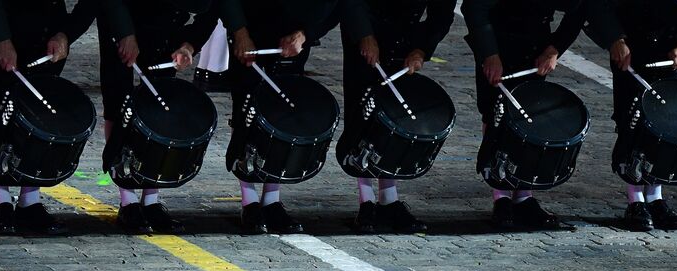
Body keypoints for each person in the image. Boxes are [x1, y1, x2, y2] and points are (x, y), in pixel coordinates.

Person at [585, 0, 677, 231]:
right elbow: (600, 5)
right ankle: (635, 200)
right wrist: (615, 39)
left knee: (665, 125)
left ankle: (655, 197)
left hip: (668, 52)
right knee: (632, 122)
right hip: (632, 48)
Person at [219, 0, 344, 235]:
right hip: (252, 29)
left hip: (292, 36)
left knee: (282, 116)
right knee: (246, 114)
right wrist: (239, 31)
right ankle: (249, 201)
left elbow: (334, 6)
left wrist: (305, 34)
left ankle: (272, 199)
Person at [0, 0, 94, 236]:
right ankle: (2, 200)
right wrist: (1, 38)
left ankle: (30, 200)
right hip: (1, 19)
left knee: (40, 111)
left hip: (47, 25)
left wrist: (66, 33)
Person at [462, 0, 586, 230]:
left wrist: (554, 48)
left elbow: (579, 8)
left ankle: (523, 195)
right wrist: (489, 53)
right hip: (498, 39)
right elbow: (474, 8)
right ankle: (501, 196)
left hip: (535, 42)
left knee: (529, 116)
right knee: (495, 114)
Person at [98, 0, 219, 233]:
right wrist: (125, 33)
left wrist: (189, 45)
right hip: (122, 17)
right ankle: (128, 200)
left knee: (160, 103)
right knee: (118, 102)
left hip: (167, 22)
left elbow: (213, 11)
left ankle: (151, 200)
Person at [338, 0, 456, 233]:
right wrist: (364, 34)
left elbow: (441, 13)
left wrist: (422, 49)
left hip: (406, 32)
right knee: (363, 111)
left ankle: (389, 199)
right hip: (367, 25)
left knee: (395, 116)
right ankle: (366, 200)